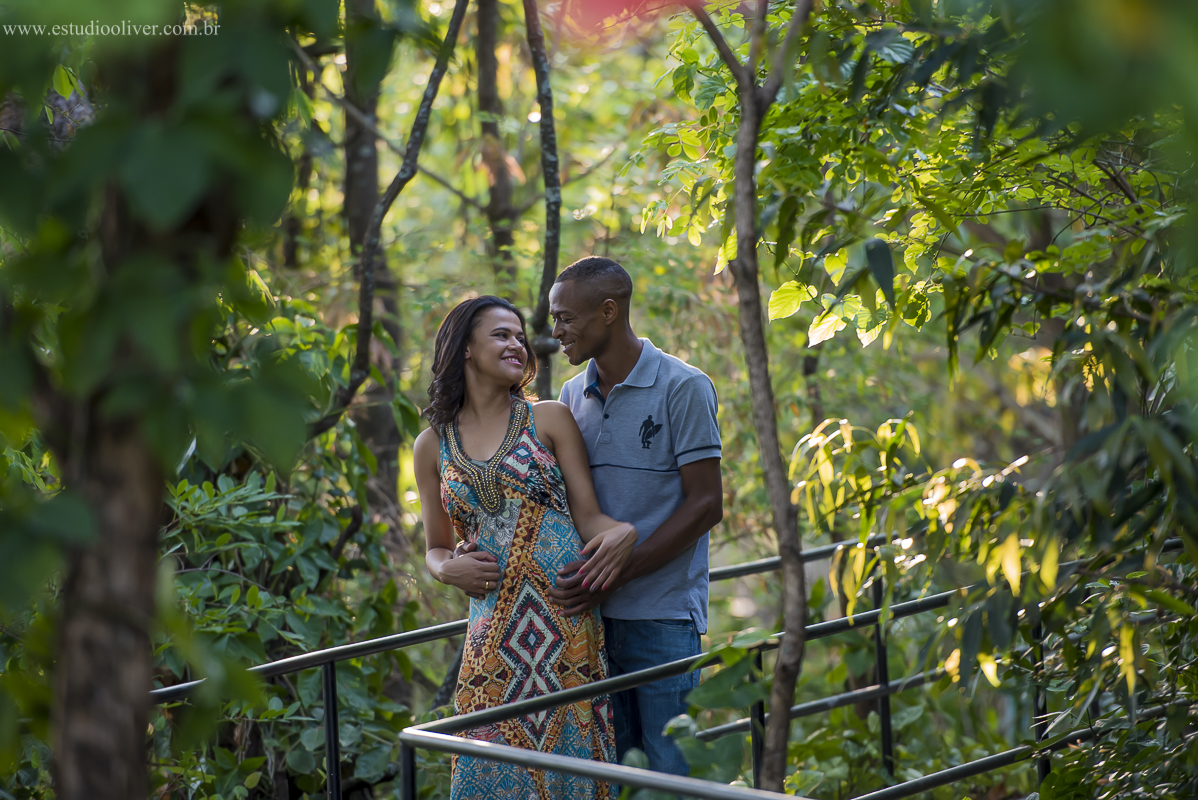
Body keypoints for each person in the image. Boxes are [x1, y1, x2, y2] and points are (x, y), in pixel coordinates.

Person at [412, 295, 638, 800]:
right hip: (490, 638)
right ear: (465, 348)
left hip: (565, 628)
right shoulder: (432, 445)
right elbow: (435, 548)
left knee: (572, 773)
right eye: (500, 334)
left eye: (519, 336)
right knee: (491, 771)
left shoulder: (550, 418)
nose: (516, 343)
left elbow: (589, 517)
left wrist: (622, 532)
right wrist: (447, 571)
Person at [547, 256, 724, 777]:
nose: (556, 331)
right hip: (591, 622)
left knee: (671, 774)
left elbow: (706, 504)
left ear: (607, 311)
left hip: (663, 618)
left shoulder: (682, 387)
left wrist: (618, 572)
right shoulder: (570, 396)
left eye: (565, 318)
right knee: (614, 773)